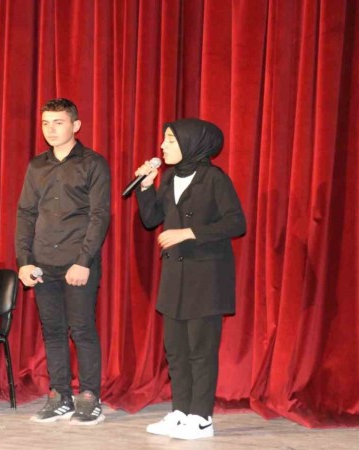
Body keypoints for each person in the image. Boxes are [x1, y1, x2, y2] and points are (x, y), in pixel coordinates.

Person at [134, 118, 246, 440]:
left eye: (170, 140)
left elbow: (236, 223)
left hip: (206, 278)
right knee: (176, 350)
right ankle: (180, 413)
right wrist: (145, 187)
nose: (162, 146)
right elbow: (151, 219)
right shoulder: (170, 177)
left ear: (191, 142)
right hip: (175, 278)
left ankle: (201, 418)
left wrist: (189, 233)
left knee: (201, 351)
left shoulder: (214, 179)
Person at [15, 98, 111, 425]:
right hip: (43, 261)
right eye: (46, 123)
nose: (51, 129)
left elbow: (99, 216)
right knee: (53, 331)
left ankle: (89, 397)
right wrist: (24, 261)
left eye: (58, 122)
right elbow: (26, 214)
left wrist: (84, 261)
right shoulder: (36, 166)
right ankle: (59, 396)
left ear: (76, 125)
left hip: (77, 261)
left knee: (82, 329)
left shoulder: (93, 163)